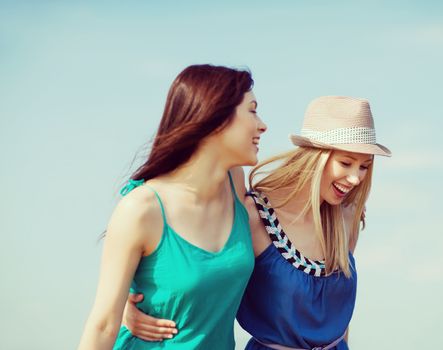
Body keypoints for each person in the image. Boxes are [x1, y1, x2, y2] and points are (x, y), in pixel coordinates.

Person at [124, 96, 391, 350]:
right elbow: (197, 266)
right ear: (315, 157)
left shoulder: (347, 217)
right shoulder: (255, 214)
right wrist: (129, 302)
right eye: (346, 163)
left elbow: (338, 317)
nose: (355, 178)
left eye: (364, 166)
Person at [78, 64, 267, 350]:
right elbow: (103, 325)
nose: (262, 124)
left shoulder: (234, 182)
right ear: (216, 118)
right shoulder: (141, 210)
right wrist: (128, 303)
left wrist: (345, 207)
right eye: (252, 110)